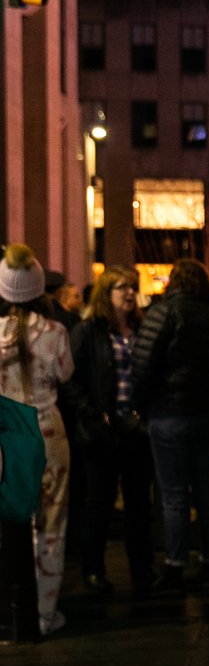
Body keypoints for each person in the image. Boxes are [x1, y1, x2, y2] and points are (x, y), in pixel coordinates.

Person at [131, 258, 209, 595]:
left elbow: (143, 363)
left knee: (174, 493)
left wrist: (141, 406)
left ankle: (176, 564)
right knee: (206, 488)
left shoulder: (162, 314)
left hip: (169, 414)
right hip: (208, 416)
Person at [0, 245, 82, 636]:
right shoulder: (54, 333)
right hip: (47, 431)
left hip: (6, 437)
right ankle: (45, 613)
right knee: (50, 524)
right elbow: (66, 375)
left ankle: (13, 609)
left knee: (9, 523)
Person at [66, 267, 153, 596]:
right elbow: (70, 379)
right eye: (121, 288)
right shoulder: (89, 331)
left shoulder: (142, 329)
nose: (129, 293)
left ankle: (142, 570)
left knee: (138, 505)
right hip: (101, 431)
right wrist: (91, 413)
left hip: (136, 429)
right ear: (107, 293)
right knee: (98, 503)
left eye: (132, 287)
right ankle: (93, 570)